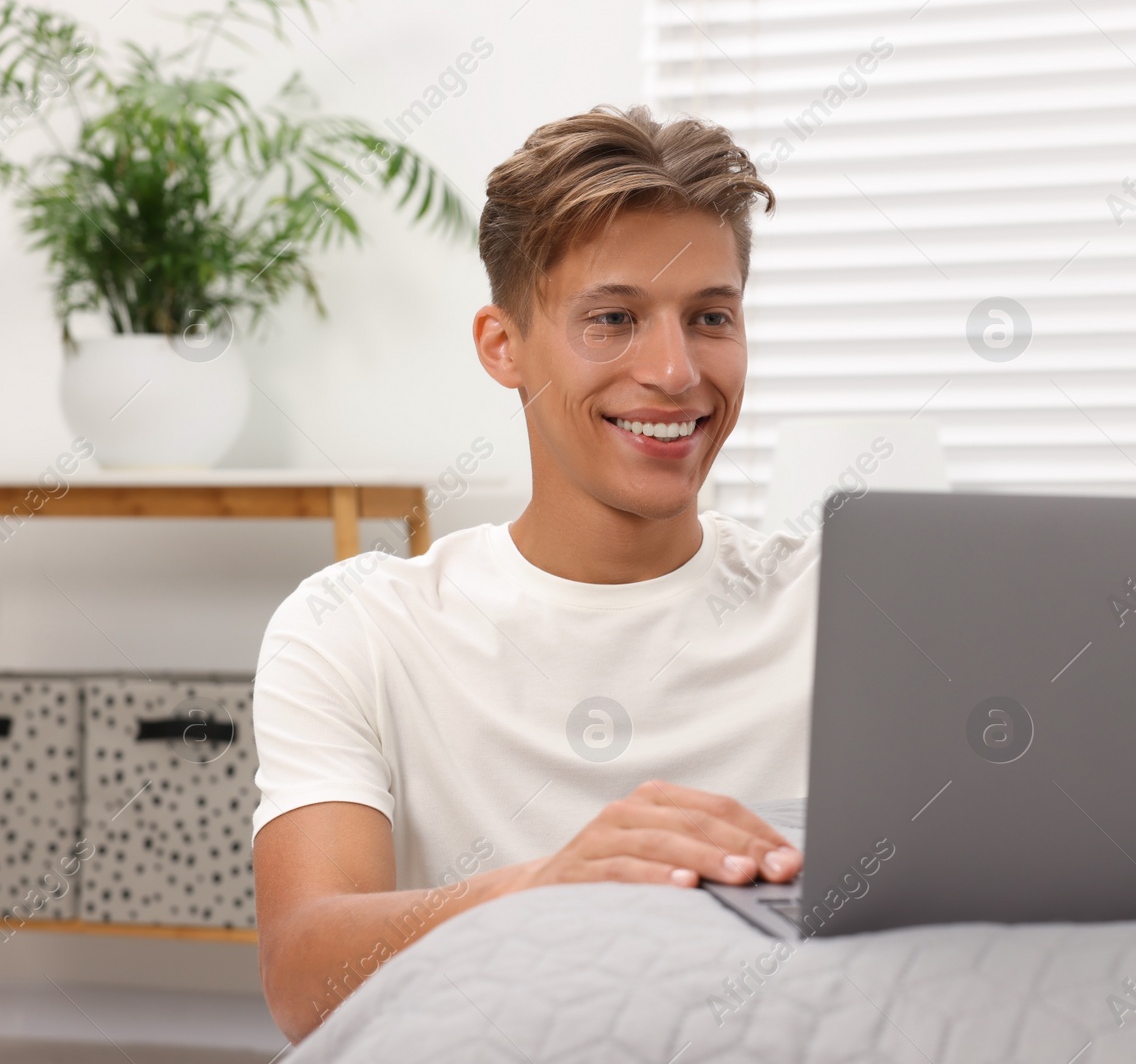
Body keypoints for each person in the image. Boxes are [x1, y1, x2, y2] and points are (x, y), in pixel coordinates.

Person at [251, 105, 814, 1042]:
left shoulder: (843, 604)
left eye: (710, 316)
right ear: (502, 346)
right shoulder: (357, 626)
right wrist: (547, 889)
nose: (676, 371)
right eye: (614, 319)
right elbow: (303, 974)